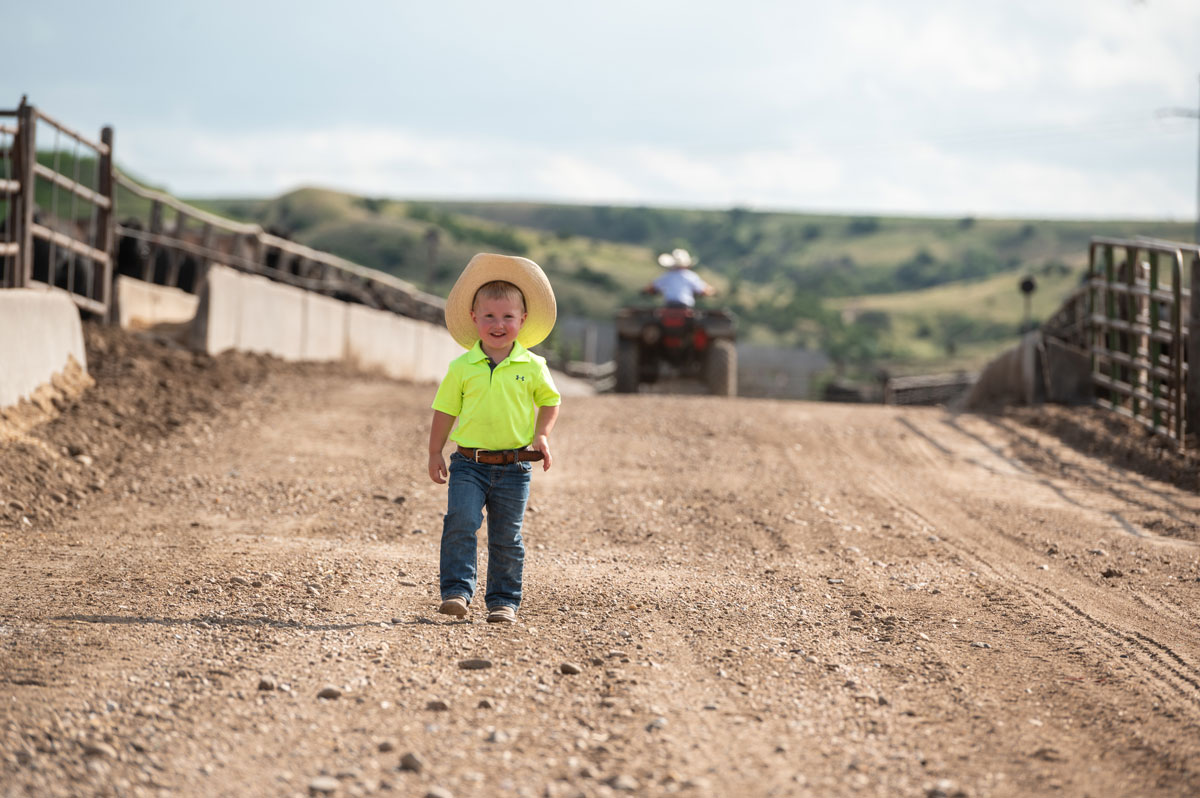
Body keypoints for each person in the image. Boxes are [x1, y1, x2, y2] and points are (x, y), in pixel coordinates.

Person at [427, 253, 561, 624]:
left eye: (507, 317)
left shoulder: (533, 366)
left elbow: (550, 402)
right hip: (469, 463)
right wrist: (434, 451)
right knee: (460, 522)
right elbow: (444, 411)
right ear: (474, 318)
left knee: (507, 538)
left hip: (515, 467)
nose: (498, 324)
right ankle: (456, 591)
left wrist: (542, 435)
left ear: (523, 320)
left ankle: (503, 601)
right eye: (489, 316)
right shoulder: (461, 367)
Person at [644, 248, 715, 307]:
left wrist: (645, 291)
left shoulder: (667, 276)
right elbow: (703, 290)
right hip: (685, 307)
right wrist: (712, 292)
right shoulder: (690, 276)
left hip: (669, 306)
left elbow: (652, 288)